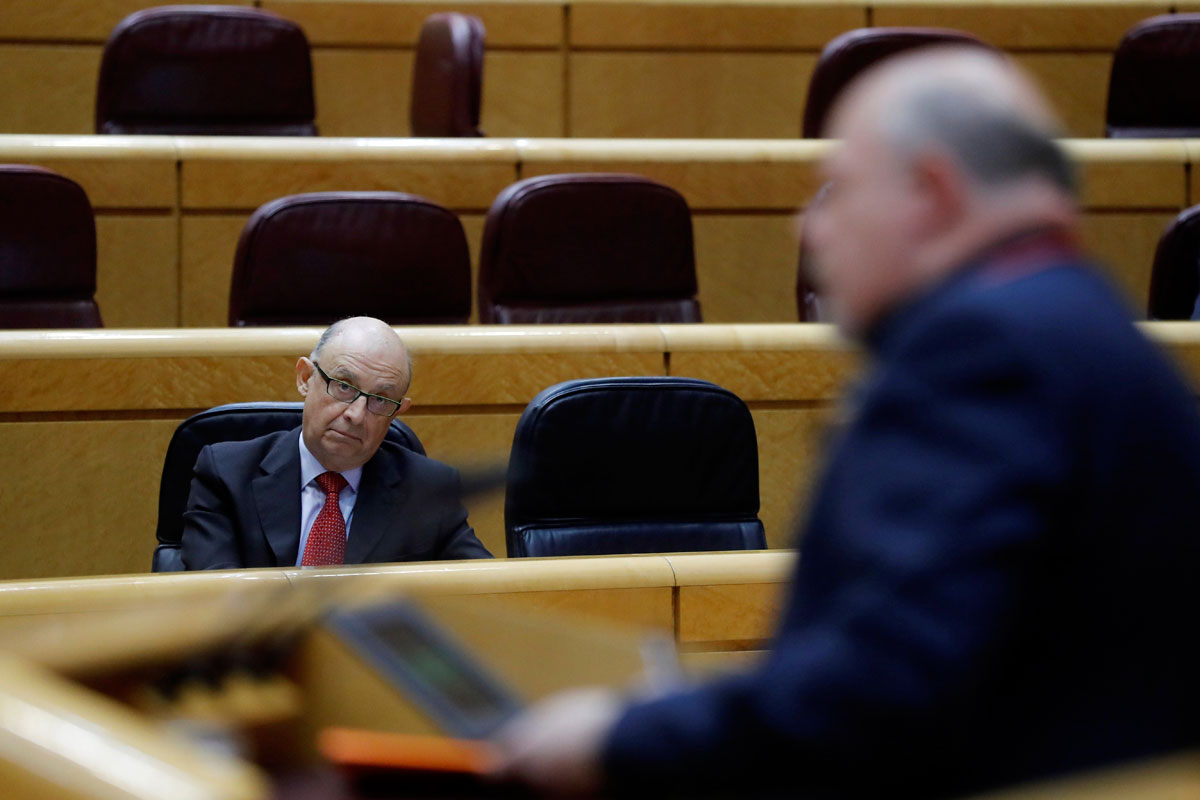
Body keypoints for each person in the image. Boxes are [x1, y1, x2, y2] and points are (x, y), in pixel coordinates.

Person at [491, 49, 1200, 797]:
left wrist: (617, 739)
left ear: (930, 191)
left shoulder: (981, 350)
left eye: (840, 191)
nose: (813, 227)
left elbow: (883, 691)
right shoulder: (1081, 322)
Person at [181, 316, 490, 569]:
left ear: (397, 411)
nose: (356, 414)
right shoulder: (226, 474)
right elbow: (214, 604)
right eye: (343, 386)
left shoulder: (428, 491)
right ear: (305, 377)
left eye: (380, 400)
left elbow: (489, 591)